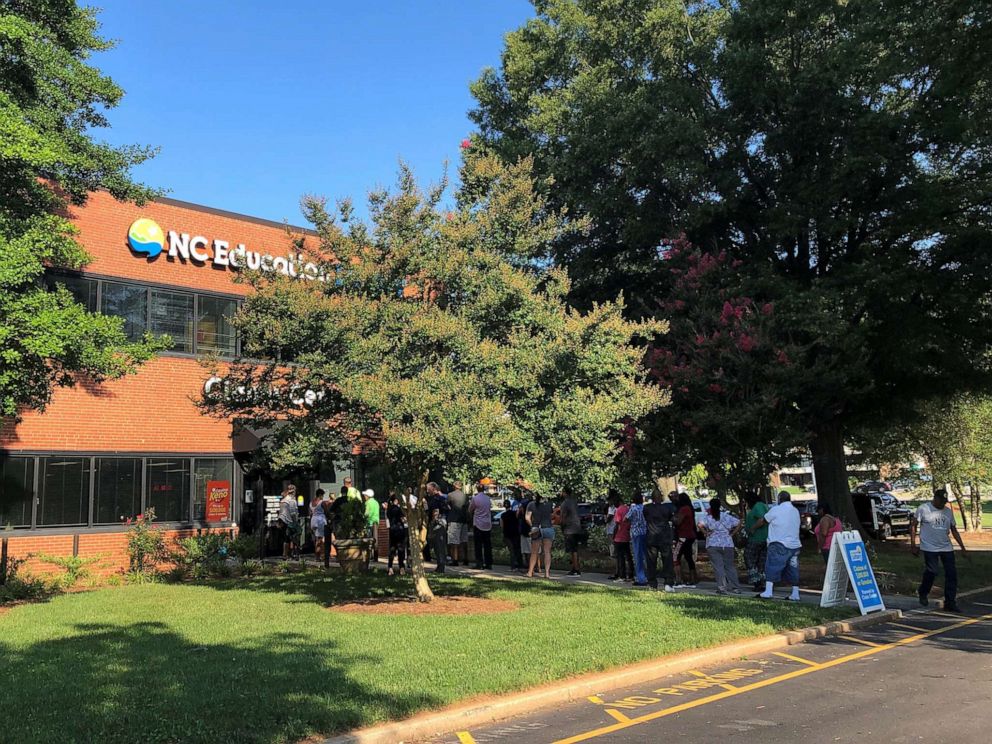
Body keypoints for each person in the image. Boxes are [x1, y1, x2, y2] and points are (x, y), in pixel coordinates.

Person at [911, 488, 967, 612]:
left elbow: (954, 530)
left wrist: (962, 547)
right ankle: (923, 592)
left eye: (944, 502)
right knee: (932, 571)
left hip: (946, 547)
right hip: (929, 547)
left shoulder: (948, 512)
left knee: (951, 574)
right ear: (935, 498)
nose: (943, 504)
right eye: (941, 501)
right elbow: (913, 525)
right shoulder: (923, 509)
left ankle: (950, 602)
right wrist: (913, 544)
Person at [753, 491, 802, 601]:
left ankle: (768, 591)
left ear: (780, 499)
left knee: (772, 566)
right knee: (793, 569)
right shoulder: (795, 511)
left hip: (779, 543)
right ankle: (795, 593)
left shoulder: (776, 509)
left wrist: (753, 528)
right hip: (794, 545)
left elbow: (763, 520)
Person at [700, 498, 743, 594]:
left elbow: (699, 525)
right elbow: (739, 522)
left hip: (713, 543)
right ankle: (736, 587)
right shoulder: (726, 516)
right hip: (727, 543)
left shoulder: (708, 517)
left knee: (718, 567)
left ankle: (722, 588)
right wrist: (733, 533)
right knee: (730, 566)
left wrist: (705, 533)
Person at [643, 490, 675, 591]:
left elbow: (645, 517)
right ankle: (668, 583)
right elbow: (671, 518)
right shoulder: (666, 508)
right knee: (667, 560)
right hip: (664, 537)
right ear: (660, 497)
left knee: (651, 561)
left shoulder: (647, 508)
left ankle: (652, 583)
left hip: (651, 537)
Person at [743, 491, 769, 591]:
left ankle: (757, 581)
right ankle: (762, 581)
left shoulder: (758, 506)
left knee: (749, 558)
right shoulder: (763, 505)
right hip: (764, 539)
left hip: (756, 539)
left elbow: (762, 519)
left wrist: (753, 528)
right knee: (761, 561)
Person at [672, 492, 698, 588]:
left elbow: (678, 521)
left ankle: (678, 579)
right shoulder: (690, 508)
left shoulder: (684, 509)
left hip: (683, 536)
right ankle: (692, 578)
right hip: (690, 535)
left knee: (675, 556)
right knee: (688, 557)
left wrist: (673, 518)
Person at [526, 492, 554, 579]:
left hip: (536, 528)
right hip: (548, 528)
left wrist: (532, 526)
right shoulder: (549, 504)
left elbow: (527, 518)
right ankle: (547, 573)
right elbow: (552, 515)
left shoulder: (531, 504)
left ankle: (530, 572)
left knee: (534, 552)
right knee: (547, 552)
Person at [468, 482, 493, 569]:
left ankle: (479, 563)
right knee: (487, 545)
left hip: (478, 523)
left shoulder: (475, 499)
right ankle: (489, 563)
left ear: (477, 489)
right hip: (487, 524)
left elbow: (470, 509)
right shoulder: (488, 498)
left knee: (478, 545)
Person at [559, 486, 583, 576]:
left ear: (565, 493)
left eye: (562, 492)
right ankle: (575, 567)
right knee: (575, 548)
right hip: (577, 527)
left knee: (572, 550)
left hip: (569, 529)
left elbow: (563, 517)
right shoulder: (574, 502)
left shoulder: (564, 503)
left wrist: (561, 526)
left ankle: (576, 569)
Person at [445, 481, 469, 567]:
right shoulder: (465, 496)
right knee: (464, 540)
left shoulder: (450, 495)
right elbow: (467, 507)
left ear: (454, 486)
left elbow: (447, 505)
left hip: (454, 519)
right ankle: (466, 559)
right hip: (464, 519)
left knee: (454, 541)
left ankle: (455, 559)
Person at [426, 482, 448, 573]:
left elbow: (435, 511)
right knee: (439, 545)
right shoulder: (442, 498)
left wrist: (432, 522)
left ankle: (441, 566)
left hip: (438, 523)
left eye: (428, 489)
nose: (427, 491)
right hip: (442, 522)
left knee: (438, 545)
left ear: (434, 488)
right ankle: (440, 565)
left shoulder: (435, 499)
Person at [627, 491, 648, 585]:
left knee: (638, 556)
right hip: (645, 532)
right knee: (646, 555)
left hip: (636, 533)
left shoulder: (633, 508)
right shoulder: (645, 508)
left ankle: (641, 578)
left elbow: (626, 518)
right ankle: (649, 575)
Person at [612, 494, 633, 582]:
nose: (614, 504)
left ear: (619, 501)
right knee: (628, 556)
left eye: (615, 502)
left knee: (620, 557)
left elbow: (617, 524)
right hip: (626, 535)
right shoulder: (627, 509)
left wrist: (614, 535)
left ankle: (622, 575)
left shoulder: (619, 510)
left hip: (619, 536)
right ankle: (631, 574)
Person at [385, 493, 407, 576]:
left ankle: (390, 567)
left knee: (392, 549)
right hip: (400, 530)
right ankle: (401, 567)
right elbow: (404, 519)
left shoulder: (389, 509)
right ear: (397, 500)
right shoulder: (398, 509)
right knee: (401, 549)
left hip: (392, 530)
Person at [500, 499, 524, 570]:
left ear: (504, 506)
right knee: (517, 549)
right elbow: (519, 521)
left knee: (511, 550)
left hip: (507, 534)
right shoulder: (514, 513)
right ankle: (520, 565)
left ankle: (513, 566)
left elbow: (502, 526)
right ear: (510, 506)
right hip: (515, 533)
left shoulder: (503, 515)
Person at [278, 486, 300, 560]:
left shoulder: (283, 500)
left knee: (286, 538)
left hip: (283, 521)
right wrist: (295, 522)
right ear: (293, 492)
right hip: (290, 521)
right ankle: (294, 554)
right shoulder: (292, 501)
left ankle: (285, 554)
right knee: (294, 538)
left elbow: (280, 512)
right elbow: (293, 513)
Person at [362, 489, 380, 563]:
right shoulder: (376, 502)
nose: (364, 496)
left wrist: (363, 518)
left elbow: (367, 514)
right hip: (376, 522)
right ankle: (376, 557)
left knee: (369, 540)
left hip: (369, 523)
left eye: (365, 495)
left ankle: (369, 556)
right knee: (375, 540)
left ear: (368, 496)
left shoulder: (367, 503)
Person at [518, 493, 534, 572]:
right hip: (535, 529)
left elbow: (518, 514)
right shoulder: (535, 505)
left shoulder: (524, 504)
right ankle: (535, 567)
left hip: (525, 529)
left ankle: (529, 567)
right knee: (534, 550)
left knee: (526, 551)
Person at [310, 492, 327, 560]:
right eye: (322, 495)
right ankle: (320, 556)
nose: (323, 497)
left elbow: (310, 513)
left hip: (313, 520)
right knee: (320, 539)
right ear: (320, 495)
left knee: (316, 539)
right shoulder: (322, 502)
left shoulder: (311, 503)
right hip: (320, 521)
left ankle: (318, 556)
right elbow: (326, 511)